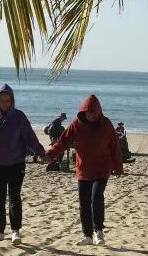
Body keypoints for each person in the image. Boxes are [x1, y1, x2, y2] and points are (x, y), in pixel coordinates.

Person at [44, 94, 123, 245]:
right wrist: (50, 154)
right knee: (84, 202)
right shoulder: (77, 124)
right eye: (88, 112)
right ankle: (87, 235)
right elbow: (63, 141)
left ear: (98, 111)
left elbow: (115, 147)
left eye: (94, 112)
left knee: (96, 197)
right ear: (83, 111)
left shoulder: (106, 124)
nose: (91, 115)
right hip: (83, 169)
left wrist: (118, 167)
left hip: (102, 168)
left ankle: (98, 231)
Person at [0, 85, 45, 244]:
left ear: (12, 100)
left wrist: (41, 153)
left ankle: (16, 231)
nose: (5, 104)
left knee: (14, 198)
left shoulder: (19, 116)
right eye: (2, 101)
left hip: (16, 164)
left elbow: (30, 137)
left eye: (7, 100)